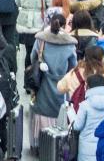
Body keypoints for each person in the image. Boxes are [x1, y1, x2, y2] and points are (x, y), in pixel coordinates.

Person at [30, 14, 78, 153]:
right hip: (61, 83)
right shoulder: (70, 43)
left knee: (42, 111)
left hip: (44, 81)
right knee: (61, 111)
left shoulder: (41, 39)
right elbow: (73, 65)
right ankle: (58, 145)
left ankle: (40, 144)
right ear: (64, 25)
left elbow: (33, 57)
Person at [75, 74, 104, 161]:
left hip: (87, 151)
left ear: (89, 87)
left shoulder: (85, 105)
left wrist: (70, 112)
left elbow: (77, 126)